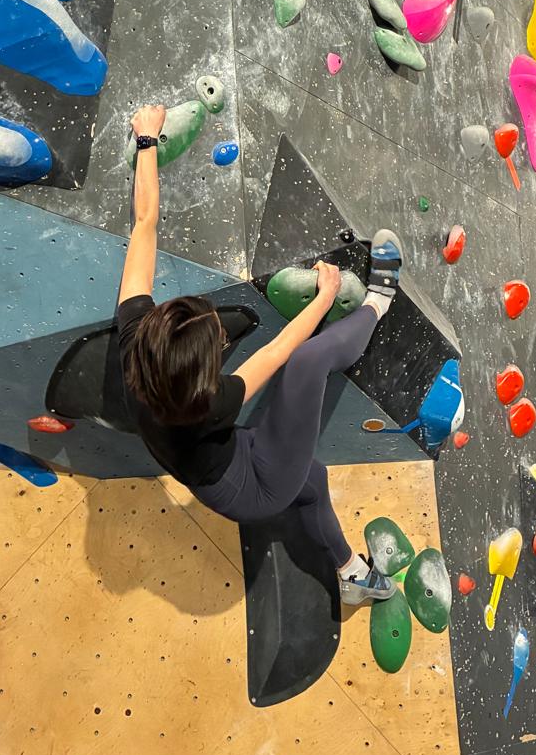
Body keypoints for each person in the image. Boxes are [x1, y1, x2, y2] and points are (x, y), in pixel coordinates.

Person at [117, 105, 400, 607]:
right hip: (253, 485)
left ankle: (352, 575)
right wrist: (325, 296)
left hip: (222, 465)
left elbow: (144, 225)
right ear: (208, 381)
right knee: (309, 367)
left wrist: (147, 142)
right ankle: (380, 304)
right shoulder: (215, 401)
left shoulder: (134, 342)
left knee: (312, 482)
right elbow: (280, 350)